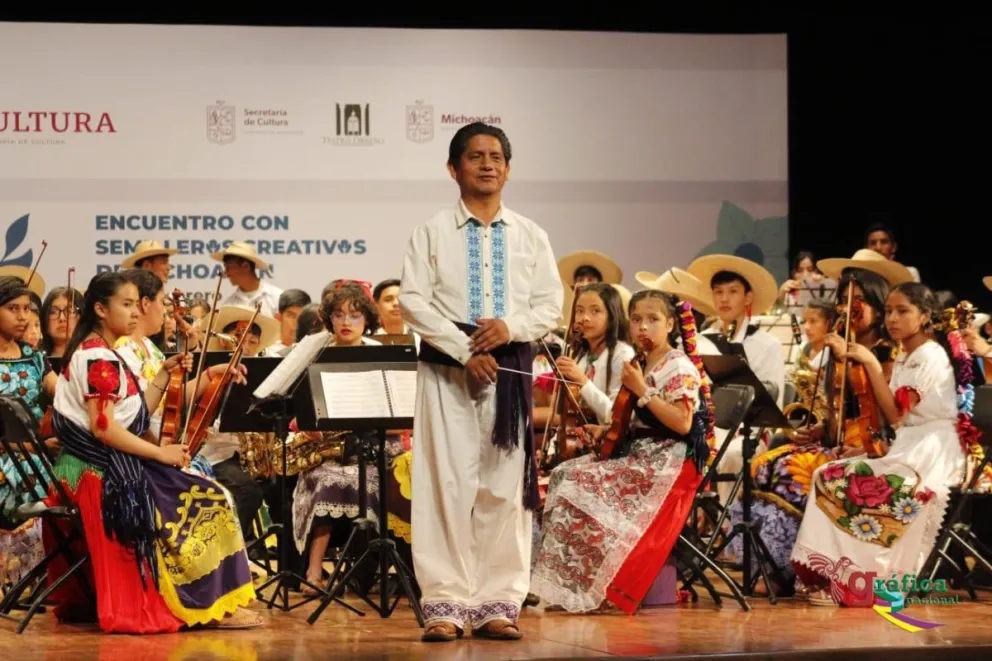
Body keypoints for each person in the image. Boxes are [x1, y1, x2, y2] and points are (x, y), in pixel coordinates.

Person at [399, 122, 563, 642]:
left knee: (502, 488)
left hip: (509, 370)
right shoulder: (430, 232)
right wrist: (463, 346)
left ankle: (498, 601)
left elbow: (549, 307)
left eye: (496, 156)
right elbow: (412, 301)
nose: (487, 164)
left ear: (508, 169)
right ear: (454, 168)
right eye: (475, 156)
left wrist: (510, 328)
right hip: (448, 372)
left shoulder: (530, 235)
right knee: (445, 485)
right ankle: (445, 602)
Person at [41, 271, 261, 632]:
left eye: (135, 304)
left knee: (202, 489)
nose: (134, 313)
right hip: (98, 475)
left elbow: (131, 412)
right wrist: (161, 455)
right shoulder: (99, 359)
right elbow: (106, 428)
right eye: (125, 305)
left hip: (85, 468)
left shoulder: (97, 352)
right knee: (211, 496)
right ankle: (212, 604)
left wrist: (163, 375)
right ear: (99, 308)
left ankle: (209, 597)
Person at [532, 289, 714, 613]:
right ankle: (573, 588)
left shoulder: (678, 366)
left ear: (671, 324)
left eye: (653, 320)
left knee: (583, 482)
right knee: (563, 474)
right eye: (637, 320)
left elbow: (683, 424)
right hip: (643, 449)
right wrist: (606, 431)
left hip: (671, 458)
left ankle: (602, 588)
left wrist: (642, 389)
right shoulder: (639, 362)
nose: (643, 327)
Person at [212, 241, 283, 318]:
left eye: (228, 267)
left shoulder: (277, 297)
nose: (225, 272)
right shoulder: (229, 304)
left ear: (246, 266)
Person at [266, 288, 312, 356]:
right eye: (291, 316)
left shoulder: (315, 352)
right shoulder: (266, 353)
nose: (297, 322)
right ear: (278, 318)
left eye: (302, 317)